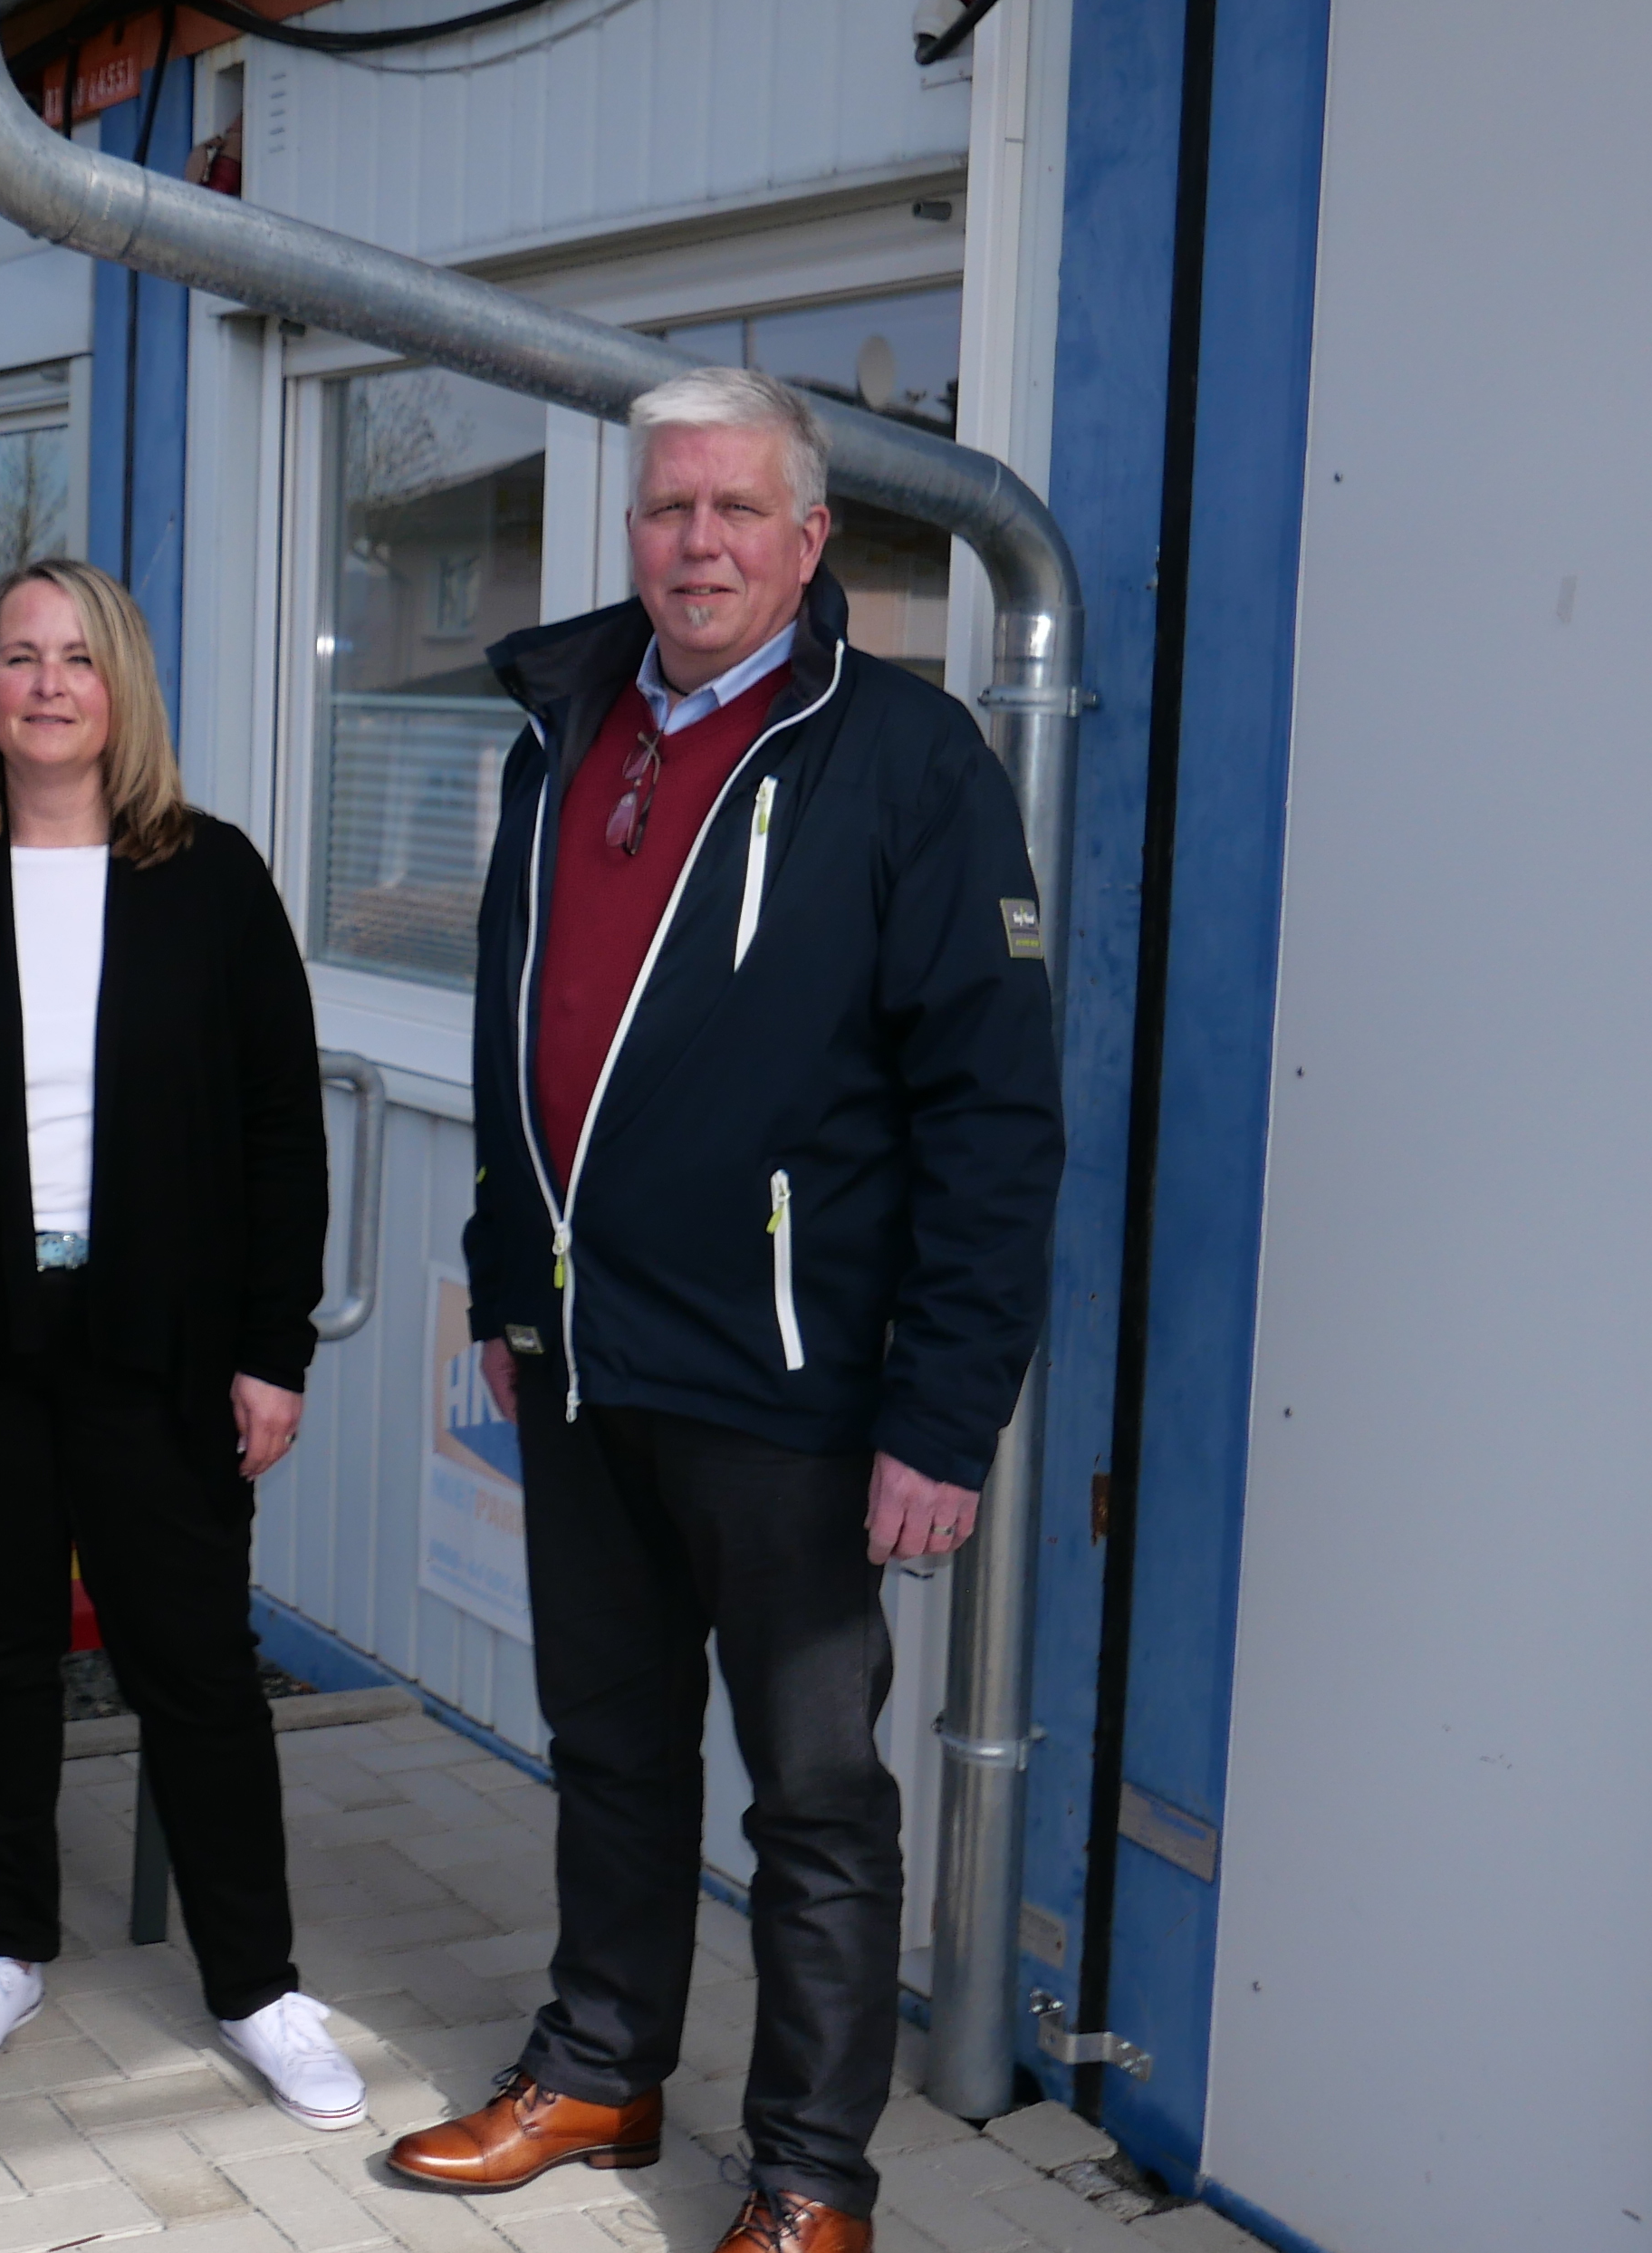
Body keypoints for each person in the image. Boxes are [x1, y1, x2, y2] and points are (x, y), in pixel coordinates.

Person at [389, 369, 1061, 2253]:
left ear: (807, 535)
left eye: (732, 512)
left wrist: (943, 1414)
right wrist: (509, 1300)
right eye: (666, 510)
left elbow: (994, 1116)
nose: (694, 543)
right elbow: (515, 1035)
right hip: (585, 1369)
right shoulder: (565, 724)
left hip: (792, 1386)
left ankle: (805, 2179)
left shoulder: (903, 758)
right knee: (604, 1749)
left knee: (813, 1805)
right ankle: (599, 2067)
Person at [0, 560, 352, 2127]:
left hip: (160, 1343)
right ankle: (0, 1947)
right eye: (16, 659)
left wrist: (273, 1348)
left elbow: (280, 1134)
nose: (44, 685)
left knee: (196, 1672)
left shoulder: (214, 879)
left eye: (76, 660)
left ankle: (257, 1982)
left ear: (124, 692)